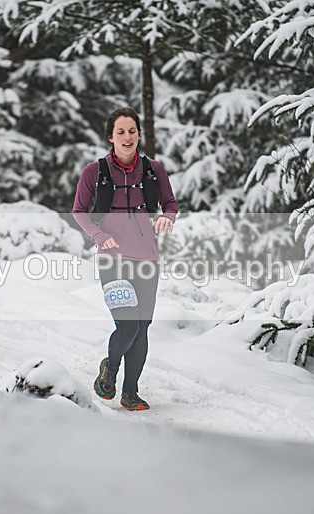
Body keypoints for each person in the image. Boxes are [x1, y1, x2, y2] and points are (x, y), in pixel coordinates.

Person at [72, 107, 179, 411]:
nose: (127, 136)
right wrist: (99, 235)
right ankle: (110, 367)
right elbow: (79, 211)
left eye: (132, 131)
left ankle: (130, 392)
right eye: (121, 131)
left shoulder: (153, 170)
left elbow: (170, 203)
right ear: (110, 137)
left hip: (147, 259)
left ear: (138, 135)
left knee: (142, 327)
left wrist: (166, 218)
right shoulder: (94, 172)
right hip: (112, 259)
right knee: (128, 325)